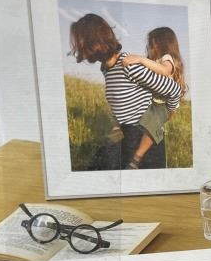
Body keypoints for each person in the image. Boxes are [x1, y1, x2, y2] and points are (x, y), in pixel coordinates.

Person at [69, 14, 182, 169]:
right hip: (125, 136)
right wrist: (116, 126)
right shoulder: (106, 68)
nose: (78, 48)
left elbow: (174, 90)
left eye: (80, 43)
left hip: (144, 140)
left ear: (94, 42)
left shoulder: (128, 65)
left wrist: (163, 117)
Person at [122, 27, 188, 169]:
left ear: (160, 43)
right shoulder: (154, 60)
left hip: (163, 104)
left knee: (152, 125)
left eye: (151, 43)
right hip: (154, 102)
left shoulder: (167, 58)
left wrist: (140, 59)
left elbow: (164, 70)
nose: (149, 47)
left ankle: (136, 158)